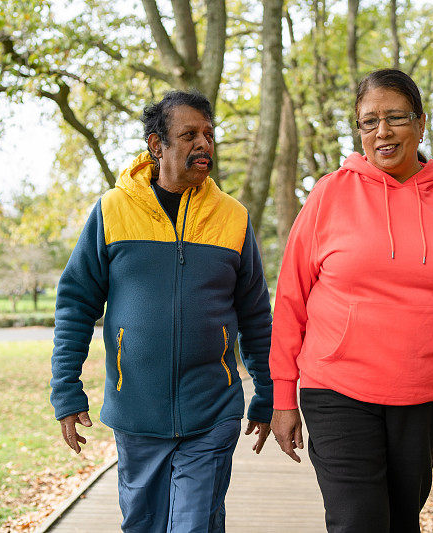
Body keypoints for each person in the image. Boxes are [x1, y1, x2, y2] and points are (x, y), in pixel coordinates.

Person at [268, 69, 433, 533]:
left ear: (421, 123)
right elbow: (291, 299)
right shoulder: (329, 195)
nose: (382, 132)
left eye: (395, 118)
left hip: (424, 397)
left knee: (401, 522)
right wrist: (282, 395)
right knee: (358, 523)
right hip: (336, 390)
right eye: (368, 122)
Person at [49, 90, 273, 533]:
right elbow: (75, 303)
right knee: (143, 524)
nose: (204, 144)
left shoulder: (233, 218)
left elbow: (255, 315)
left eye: (209, 134)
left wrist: (266, 391)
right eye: (189, 134)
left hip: (213, 408)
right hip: (135, 411)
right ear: (157, 145)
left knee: (192, 524)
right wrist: (66, 389)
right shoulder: (112, 211)